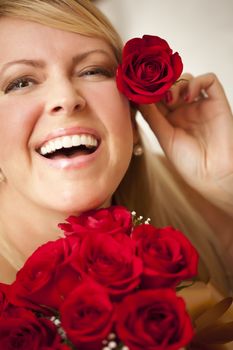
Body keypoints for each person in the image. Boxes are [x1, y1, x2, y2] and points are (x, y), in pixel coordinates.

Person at [0, 0, 232, 301]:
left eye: (93, 71)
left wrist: (226, 182)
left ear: (134, 116)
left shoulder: (202, 206)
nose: (67, 98)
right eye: (20, 82)